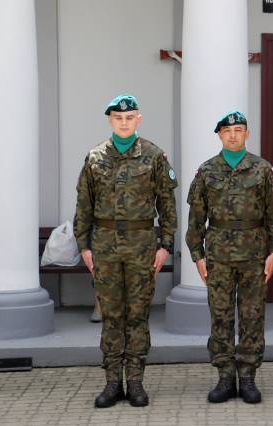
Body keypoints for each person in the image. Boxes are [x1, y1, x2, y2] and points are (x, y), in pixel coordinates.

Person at [73, 94, 178, 408]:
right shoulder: (94, 158)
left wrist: (165, 246)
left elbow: (167, 207)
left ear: (138, 119)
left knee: (138, 316)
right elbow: (83, 207)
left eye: (129, 117)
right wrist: (84, 246)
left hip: (142, 246)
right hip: (104, 247)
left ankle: (135, 383)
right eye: (118, 118)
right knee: (111, 316)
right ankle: (110, 383)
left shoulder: (154, 156)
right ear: (110, 120)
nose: (123, 122)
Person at [185, 111, 273, 404]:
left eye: (239, 130)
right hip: (218, 255)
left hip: (254, 255)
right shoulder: (206, 171)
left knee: (252, 317)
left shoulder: (262, 170)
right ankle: (225, 377)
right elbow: (196, 220)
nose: (233, 135)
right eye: (228, 131)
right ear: (219, 135)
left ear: (247, 134)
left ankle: (248, 377)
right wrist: (197, 255)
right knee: (221, 316)